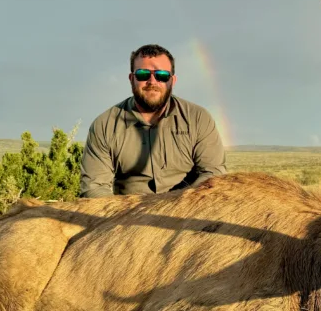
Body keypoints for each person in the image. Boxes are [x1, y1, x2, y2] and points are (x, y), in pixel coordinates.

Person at [79, 43, 227, 197]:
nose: (152, 81)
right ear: (131, 79)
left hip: (185, 212)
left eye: (161, 75)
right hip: (126, 215)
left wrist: (175, 207)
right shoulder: (104, 125)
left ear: (172, 80)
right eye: (143, 74)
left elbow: (213, 174)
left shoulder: (198, 119)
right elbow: (94, 188)